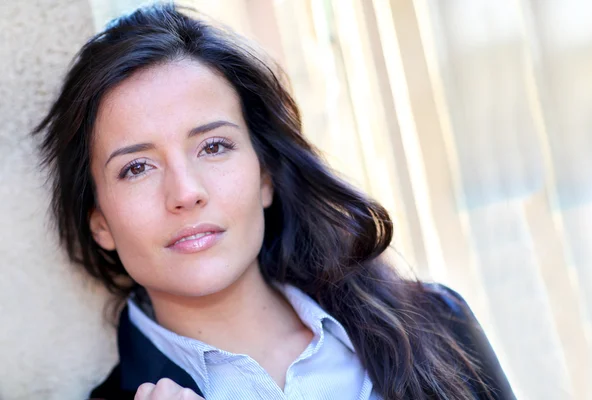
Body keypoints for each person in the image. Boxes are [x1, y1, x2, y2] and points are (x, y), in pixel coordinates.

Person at [33, 3, 515, 400]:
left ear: (265, 173)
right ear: (99, 220)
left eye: (213, 146)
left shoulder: (435, 324)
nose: (185, 193)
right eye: (136, 167)